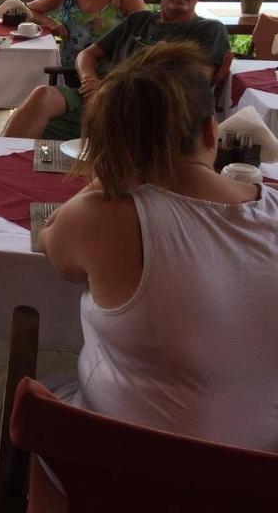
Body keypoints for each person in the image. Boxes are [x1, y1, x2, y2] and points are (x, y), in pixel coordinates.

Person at [38, 41, 278, 450]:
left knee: (44, 393)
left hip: (124, 469)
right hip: (258, 478)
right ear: (210, 131)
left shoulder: (100, 216)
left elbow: (52, 242)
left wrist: (111, 174)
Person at [2, 0, 229, 140]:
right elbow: (87, 54)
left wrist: (117, 95)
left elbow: (191, 85)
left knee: (41, 130)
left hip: (151, 117)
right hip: (100, 99)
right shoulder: (139, 20)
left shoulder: (208, 30)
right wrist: (91, 81)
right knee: (42, 97)